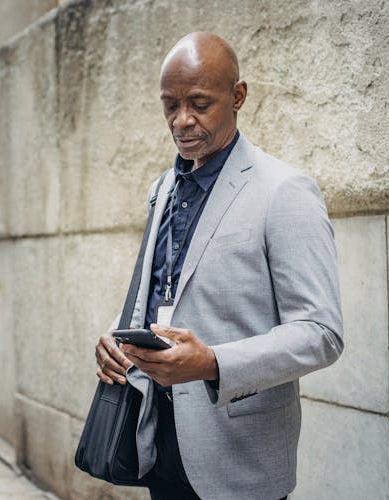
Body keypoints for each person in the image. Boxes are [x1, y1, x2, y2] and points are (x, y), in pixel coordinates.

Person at [94, 32, 344, 500]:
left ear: (238, 96)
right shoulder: (163, 187)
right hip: (156, 439)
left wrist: (211, 363)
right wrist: (116, 336)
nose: (181, 120)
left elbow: (321, 334)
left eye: (199, 103)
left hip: (239, 458)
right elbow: (161, 293)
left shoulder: (284, 191)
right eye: (170, 105)